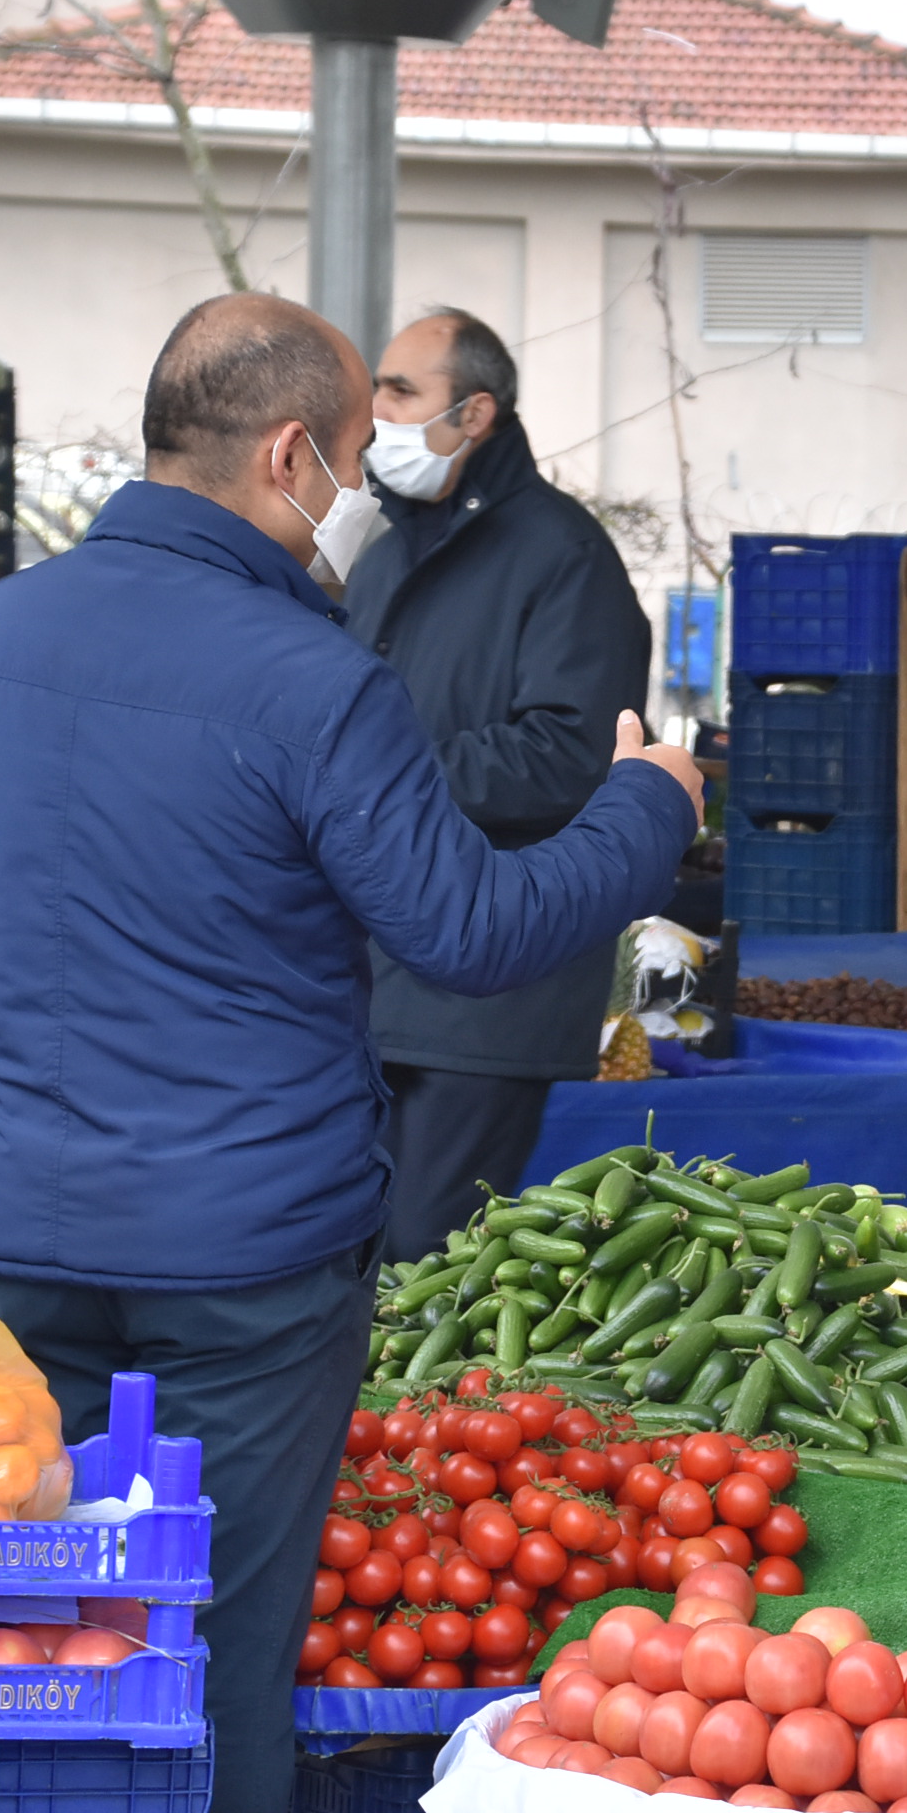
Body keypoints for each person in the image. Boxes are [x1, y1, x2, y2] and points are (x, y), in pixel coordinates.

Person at [0, 292, 702, 1813]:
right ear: (286, 456)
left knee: (33, 1638)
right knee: (207, 1659)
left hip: (15, 1236)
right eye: (349, 452)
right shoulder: (313, 680)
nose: (360, 488)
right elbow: (468, 931)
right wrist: (645, 810)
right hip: (245, 1267)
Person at [343, 308, 656, 1260]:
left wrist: (381, 779)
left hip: (493, 988)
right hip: (373, 981)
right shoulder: (380, 547)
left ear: (474, 414)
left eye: (401, 391)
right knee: (353, 1259)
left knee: (420, 1263)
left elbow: (572, 751)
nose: (376, 409)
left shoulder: (566, 557)